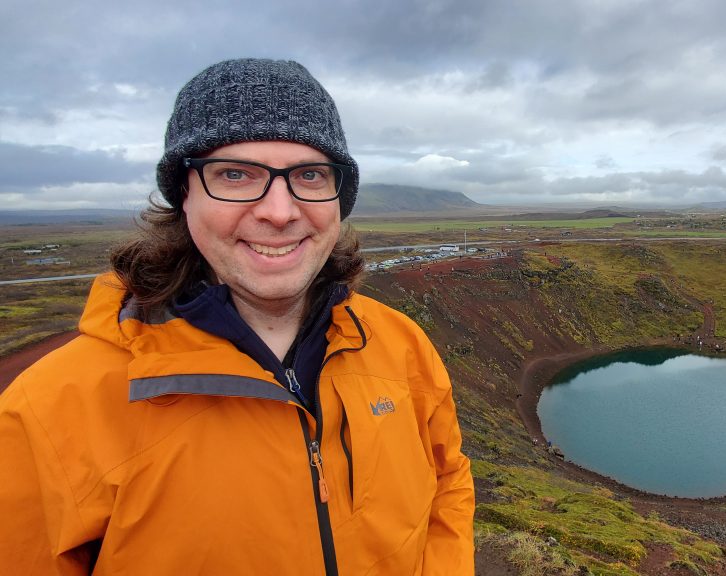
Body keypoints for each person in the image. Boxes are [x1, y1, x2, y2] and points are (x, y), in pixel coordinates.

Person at [0, 58, 475, 575]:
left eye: (310, 175)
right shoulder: (51, 408)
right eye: (235, 174)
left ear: (340, 197)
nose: (279, 211)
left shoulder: (400, 344)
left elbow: (447, 483)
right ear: (184, 194)